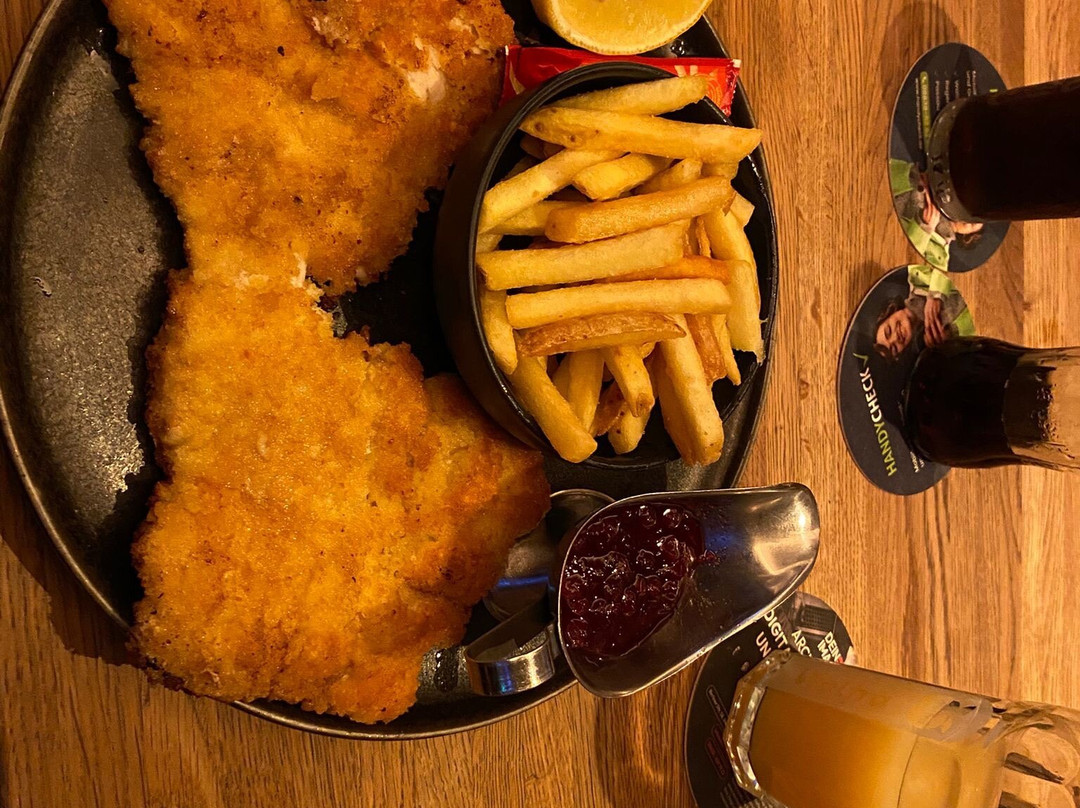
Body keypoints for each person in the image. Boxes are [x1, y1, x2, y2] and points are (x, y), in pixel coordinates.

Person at [889, 159, 984, 269]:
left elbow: (900, 265)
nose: (968, 220)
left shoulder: (941, 256)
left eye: (972, 224)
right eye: (970, 215)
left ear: (965, 236)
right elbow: (883, 168)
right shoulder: (937, 187)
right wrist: (913, 177)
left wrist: (923, 229)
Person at [874, 265, 975, 361]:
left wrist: (936, 294)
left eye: (888, 331)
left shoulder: (915, 275)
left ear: (890, 312)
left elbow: (949, 263)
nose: (896, 337)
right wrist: (952, 338)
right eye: (895, 348)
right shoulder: (939, 343)